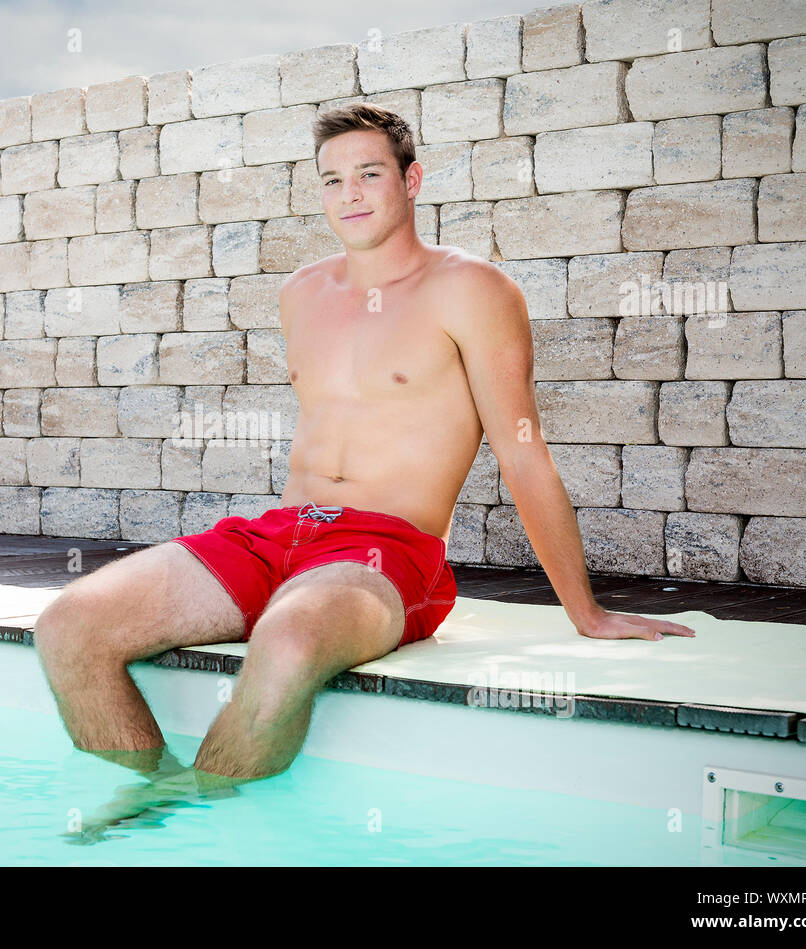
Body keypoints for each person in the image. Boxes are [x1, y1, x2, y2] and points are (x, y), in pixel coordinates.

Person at [35, 102, 697, 796]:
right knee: (70, 626)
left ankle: (195, 823)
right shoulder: (301, 293)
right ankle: (145, 803)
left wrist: (584, 612)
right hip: (276, 535)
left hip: (385, 552)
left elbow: (523, 451)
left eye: (368, 173)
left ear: (411, 181)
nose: (348, 194)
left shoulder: (470, 288)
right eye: (331, 180)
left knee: (287, 645)